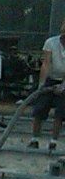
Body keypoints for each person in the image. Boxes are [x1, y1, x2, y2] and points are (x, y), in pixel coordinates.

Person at [29, 21, 65, 151]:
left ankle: (53, 142)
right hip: (50, 79)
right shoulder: (51, 42)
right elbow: (46, 63)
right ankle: (34, 140)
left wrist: (63, 85)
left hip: (64, 81)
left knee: (60, 113)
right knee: (40, 108)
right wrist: (42, 84)